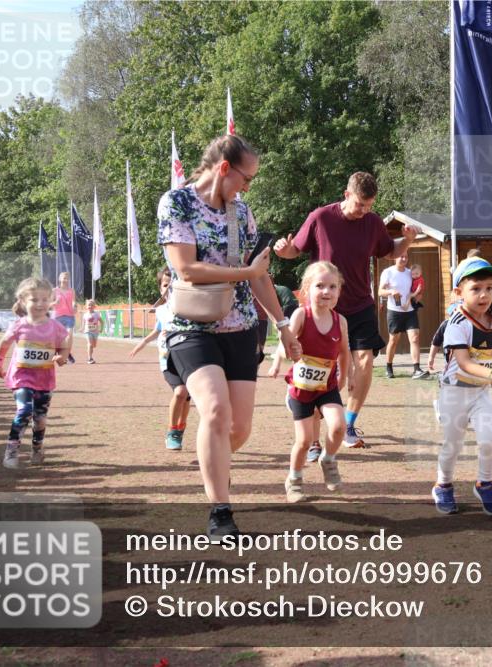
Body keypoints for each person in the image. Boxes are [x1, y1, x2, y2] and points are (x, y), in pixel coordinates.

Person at [159, 134, 300, 540]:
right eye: (246, 177)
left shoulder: (242, 212)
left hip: (239, 326)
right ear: (224, 168)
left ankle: (212, 460)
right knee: (216, 411)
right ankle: (220, 512)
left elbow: (260, 276)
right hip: (190, 325)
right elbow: (186, 270)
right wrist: (246, 274)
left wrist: (282, 324)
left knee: (239, 430)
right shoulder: (177, 203)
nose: (247, 186)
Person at [274, 172, 419, 447]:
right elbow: (295, 249)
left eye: (369, 205)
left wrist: (408, 239)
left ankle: (349, 423)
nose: (364, 211)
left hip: (361, 303)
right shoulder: (321, 218)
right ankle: (308, 413)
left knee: (364, 360)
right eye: (359, 205)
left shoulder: (373, 222)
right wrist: (283, 250)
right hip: (325, 307)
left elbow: (389, 251)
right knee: (321, 365)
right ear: (346, 194)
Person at [434, 257, 492, 516]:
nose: (484, 295)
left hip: (480, 392)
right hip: (454, 392)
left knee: (490, 439)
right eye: (476, 288)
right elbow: (465, 363)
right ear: (459, 292)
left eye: (490, 288)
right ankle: (443, 485)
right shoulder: (457, 324)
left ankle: (484, 483)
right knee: (453, 445)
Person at [283, 261, 354, 503]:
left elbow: (345, 351)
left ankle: (329, 459)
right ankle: (294, 480)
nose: (327, 291)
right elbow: (287, 343)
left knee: (338, 426)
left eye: (333, 287)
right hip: (301, 389)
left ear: (339, 291)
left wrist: (345, 376)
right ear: (306, 289)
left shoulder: (340, 321)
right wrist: (281, 356)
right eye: (320, 285)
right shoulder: (301, 314)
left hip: (327, 386)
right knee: (303, 441)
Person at [0, 277, 69, 468]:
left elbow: (65, 342)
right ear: (22, 301)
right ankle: (11, 450)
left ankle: (37, 448)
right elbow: (4, 343)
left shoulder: (56, 327)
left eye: (44, 299)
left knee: (40, 419)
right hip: (21, 378)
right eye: (34, 299)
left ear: (51, 301)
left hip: (45, 380)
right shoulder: (19, 325)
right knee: (24, 410)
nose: (40, 304)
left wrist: (62, 357)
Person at [129, 268, 192, 450]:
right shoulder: (161, 311)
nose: (169, 288)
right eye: (165, 284)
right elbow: (157, 330)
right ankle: (172, 431)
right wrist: (142, 343)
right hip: (167, 358)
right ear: (160, 288)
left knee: (187, 396)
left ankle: (181, 427)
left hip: (187, 356)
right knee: (180, 392)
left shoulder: (188, 308)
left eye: (173, 284)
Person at [379, 253, 427, 379]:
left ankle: (416, 369)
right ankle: (388, 367)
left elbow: (417, 286)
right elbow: (380, 291)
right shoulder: (387, 272)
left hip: (410, 311)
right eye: (401, 256)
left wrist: (418, 295)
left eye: (406, 257)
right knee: (394, 341)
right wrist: (391, 291)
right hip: (394, 311)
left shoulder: (409, 272)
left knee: (415, 338)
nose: (404, 259)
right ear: (395, 257)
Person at [51, 272, 77, 364]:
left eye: (67, 278)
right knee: (57, 338)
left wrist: (74, 306)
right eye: (64, 278)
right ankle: (55, 352)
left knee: (69, 335)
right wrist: (55, 303)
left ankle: (67, 353)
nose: (65, 280)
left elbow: (74, 301)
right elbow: (49, 304)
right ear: (59, 279)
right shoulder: (55, 290)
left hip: (69, 316)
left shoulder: (72, 290)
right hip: (57, 317)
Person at [81, 300, 103, 364]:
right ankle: (89, 358)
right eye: (88, 305)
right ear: (86, 306)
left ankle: (90, 354)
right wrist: (82, 328)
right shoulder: (85, 315)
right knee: (89, 344)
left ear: (94, 306)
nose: (89, 306)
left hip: (95, 332)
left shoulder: (97, 314)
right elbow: (83, 324)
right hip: (88, 331)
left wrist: (101, 329)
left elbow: (102, 322)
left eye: (91, 305)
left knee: (94, 345)